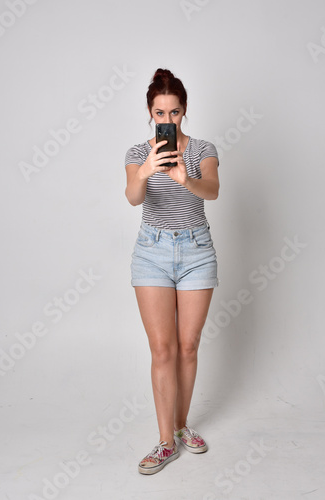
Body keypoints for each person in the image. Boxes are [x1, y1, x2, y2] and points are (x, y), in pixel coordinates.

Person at [124, 68, 220, 475]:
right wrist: (146, 171)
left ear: (184, 112)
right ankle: (166, 442)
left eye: (175, 112)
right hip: (152, 252)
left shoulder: (201, 150)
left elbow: (213, 190)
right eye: (160, 112)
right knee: (161, 349)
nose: (167, 120)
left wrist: (186, 177)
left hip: (197, 250)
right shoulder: (135, 153)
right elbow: (132, 198)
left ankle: (181, 427)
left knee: (188, 346)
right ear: (150, 112)